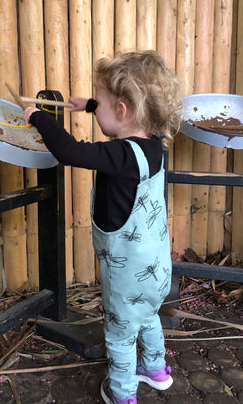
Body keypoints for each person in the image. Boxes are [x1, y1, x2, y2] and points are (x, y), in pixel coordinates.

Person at [24, 50, 182, 404]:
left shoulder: (119, 155)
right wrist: (92, 105)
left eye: (102, 102)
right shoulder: (154, 148)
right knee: (149, 316)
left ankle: (122, 392)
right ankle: (156, 371)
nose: (97, 108)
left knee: (121, 332)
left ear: (123, 110)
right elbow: (115, 120)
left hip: (127, 278)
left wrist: (39, 118)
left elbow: (69, 151)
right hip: (156, 270)